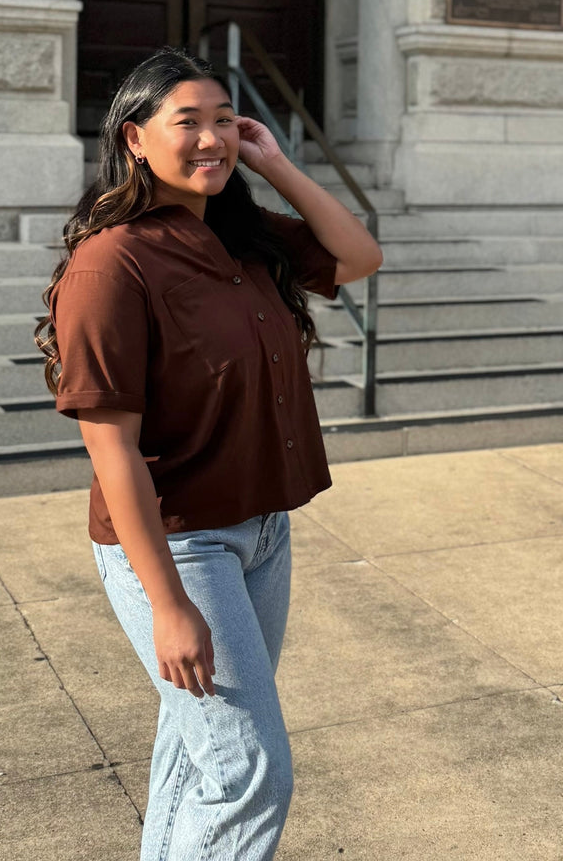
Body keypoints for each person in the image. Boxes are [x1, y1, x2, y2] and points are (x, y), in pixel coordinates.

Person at [36, 47, 382, 860]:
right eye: (187, 122)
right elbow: (111, 448)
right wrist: (167, 604)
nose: (212, 138)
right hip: (180, 545)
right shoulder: (111, 264)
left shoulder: (241, 237)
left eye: (224, 121)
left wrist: (275, 164)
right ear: (134, 137)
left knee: (197, 753)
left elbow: (360, 258)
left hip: (261, 532)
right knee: (250, 775)